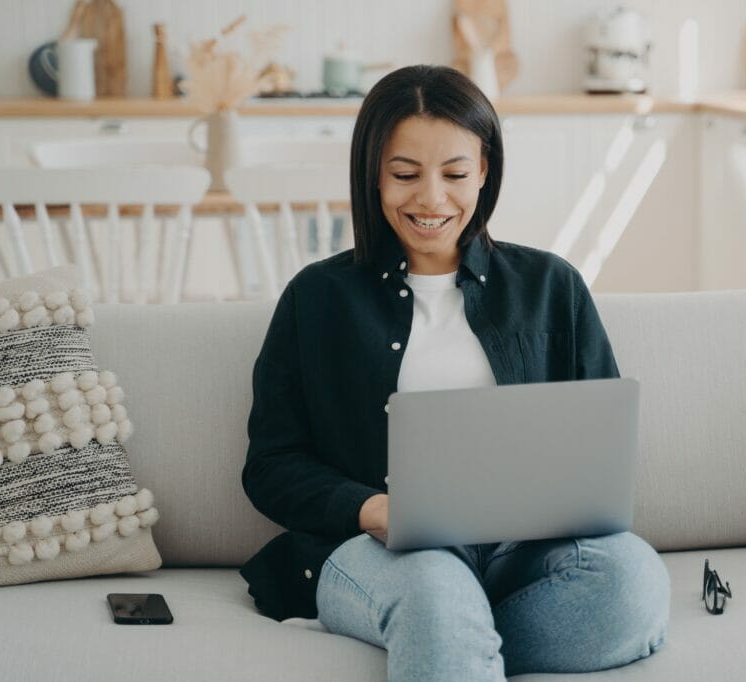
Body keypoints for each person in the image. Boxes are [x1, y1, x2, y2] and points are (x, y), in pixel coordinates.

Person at [240, 64, 670, 681]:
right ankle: (440, 624)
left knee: (630, 585)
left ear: (485, 172)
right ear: (373, 176)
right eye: (405, 175)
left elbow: (601, 445)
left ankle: (447, 640)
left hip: (522, 555)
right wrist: (372, 509)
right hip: (381, 554)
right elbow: (271, 466)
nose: (432, 199)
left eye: (456, 174)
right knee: (435, 591)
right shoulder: (317, 297)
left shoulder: (552, 287)